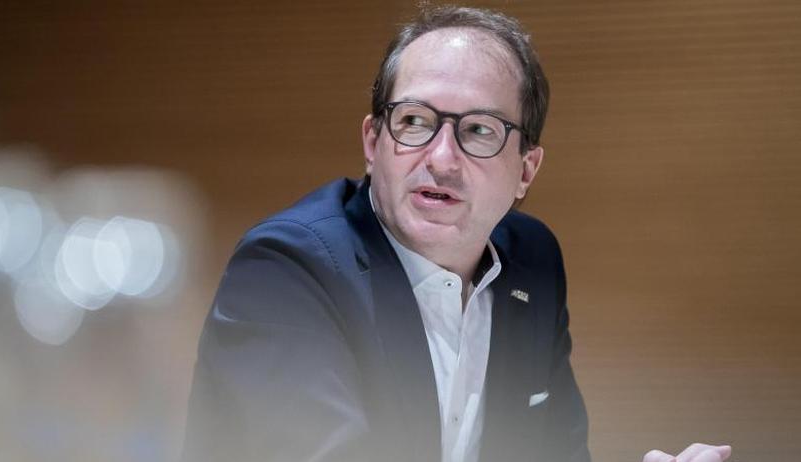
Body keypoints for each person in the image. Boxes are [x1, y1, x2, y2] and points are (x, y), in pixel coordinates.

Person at [182, 6, 732, 462]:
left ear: (526, 170)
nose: (441, 159)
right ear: (373, 143)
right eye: (415, 121)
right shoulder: (286, 272)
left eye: (479, 130)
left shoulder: (533, 261)